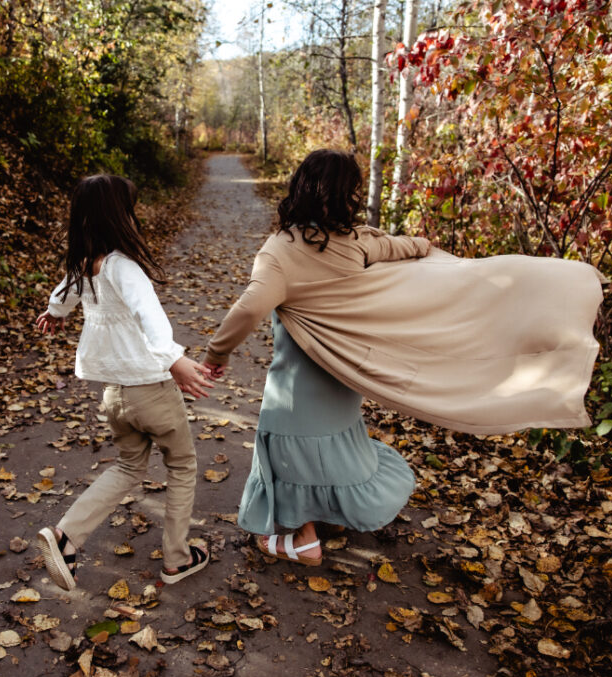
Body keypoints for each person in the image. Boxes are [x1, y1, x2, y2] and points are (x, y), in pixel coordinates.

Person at [203, 149, 430, 565]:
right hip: (344, 380)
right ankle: (334, 518)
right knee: (334, 445)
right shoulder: (359, 242)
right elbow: (403, 249)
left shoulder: (280, 250)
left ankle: (304, 539)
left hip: (297, 388)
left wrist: (216, 353)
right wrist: (424, 245)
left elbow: (250, 308)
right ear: (348, 194)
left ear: (300, 188)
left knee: (288, 451)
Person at [34, 173, 214, 590]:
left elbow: (64, 295)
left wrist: (54, 313)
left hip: (114, 396)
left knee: (129, 465)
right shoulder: (122, 266)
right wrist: (175, 360)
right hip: (151, 390)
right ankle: (177, 558)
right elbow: (150, 316)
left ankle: (66, 536)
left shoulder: (83, 266)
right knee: (183, 464)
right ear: (120, 216)